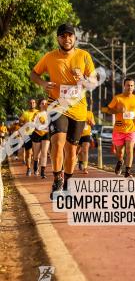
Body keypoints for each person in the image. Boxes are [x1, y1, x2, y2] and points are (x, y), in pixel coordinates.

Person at [30, 23, 96, 198]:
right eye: (63, 36)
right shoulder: (50, 57)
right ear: (58, 38)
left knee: (71, 150)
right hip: (57, 105)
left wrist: (83, 79)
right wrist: (43, 83)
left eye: (70, 36)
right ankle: (57, 180)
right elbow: (33, 74)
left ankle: (68, 181)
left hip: (79, 110)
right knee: (58, 143)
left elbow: (93, 82)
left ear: (75, 38)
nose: (67, 39)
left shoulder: (84, 56)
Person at [105, 79, 135, 178]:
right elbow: (108, 110)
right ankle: (120, 161)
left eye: (131, 85)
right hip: (118, 129)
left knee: (129, 150)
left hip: (131, 129)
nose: (129, 87)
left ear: (133, 87)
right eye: (128, 85)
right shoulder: (117, 98)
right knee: (119, 152)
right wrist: (117, 110)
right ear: (124, 86)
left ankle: (128, 171)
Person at [31, 98, 50, 178]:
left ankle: (42, 172)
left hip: (46, 134)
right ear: (39, 105)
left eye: (45, 103)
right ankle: (35, 167)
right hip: (37, 133)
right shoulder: (37, 113)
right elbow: (32, 123)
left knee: (44, 152)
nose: (44, 105)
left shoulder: (49, 113)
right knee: (36, 155)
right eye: (42, 103)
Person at [19, 98, 38, 176]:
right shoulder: (25, 113)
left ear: (35, 104)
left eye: (33, 102)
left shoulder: (38, 112)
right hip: (27, 135)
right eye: (30, 103)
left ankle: (36, 169)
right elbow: (20, 123)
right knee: (28, 153)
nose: (32, 104)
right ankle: (28, 169)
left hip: (36, 134)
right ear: (28, 104)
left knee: (36, 153)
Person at [77, 104, 95, 175]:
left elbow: (93, 124)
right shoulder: (77, 112)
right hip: (77, 135)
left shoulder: (90, 113)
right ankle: (80, 162)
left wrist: (90, 122)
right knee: (77, 151)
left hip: (86, 134)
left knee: (85, 151)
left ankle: (85, 167)